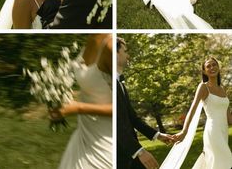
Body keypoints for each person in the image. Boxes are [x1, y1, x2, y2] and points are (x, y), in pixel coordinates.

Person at [50, 33, 112, 169]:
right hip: (83, 137)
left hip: (105, 146)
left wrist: (78, 108)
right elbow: (95, 85)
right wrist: (60, 97)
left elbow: (121, 106)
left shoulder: (110, 46)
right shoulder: (93, 35)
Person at [161, 57, 232, 168]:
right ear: (204, 71)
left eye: (214, 65)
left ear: (218, 67)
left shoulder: (223, 89)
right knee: (224, 161)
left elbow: (229, 119)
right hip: (213, 131)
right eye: (208, 66)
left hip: (223, 132)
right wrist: (184, 132)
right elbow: (192, 110)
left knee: (216, 163)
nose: (212, 67)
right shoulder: (204, 87)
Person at [117, 37, 173, 169]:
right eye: (125, 51)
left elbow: (132, 118)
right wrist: (139, 151)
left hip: (129, 152)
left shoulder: (120, 84)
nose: (128, 55)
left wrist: (158, 135)